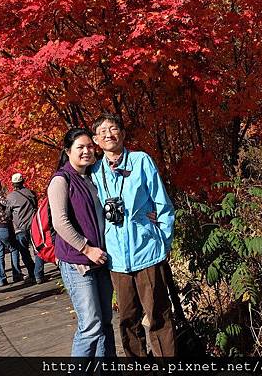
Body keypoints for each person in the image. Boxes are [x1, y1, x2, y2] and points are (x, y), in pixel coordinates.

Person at [91, 112, 178, 357]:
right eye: (102, 132)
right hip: (116, 259)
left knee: (158, 315)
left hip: (147, 251)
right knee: (127, 319)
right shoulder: (95, 171)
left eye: (113, 129)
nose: (109, 134)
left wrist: (164, 241)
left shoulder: (141, 161)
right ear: (97, 140)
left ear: (123, 134)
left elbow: (162, 205)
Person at [48, 128, 116, 357]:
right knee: (90, 326)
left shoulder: (92, 177)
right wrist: (86, 248)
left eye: (89, 146)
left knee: (106, 322)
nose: (87, 151)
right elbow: (60, 222)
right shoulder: (61, 179)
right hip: (79, 263)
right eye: (80, 147)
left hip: (101, 260)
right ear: (68, 151)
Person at [6, 173, 44, 284]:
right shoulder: (31, 193)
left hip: (20, 228)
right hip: (34, 226)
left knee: (24, 252)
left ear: (13, 184)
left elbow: (7, 214)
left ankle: (32, 273)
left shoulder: (10, 197)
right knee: (38, 250)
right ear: (23, 181)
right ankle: (39, 274)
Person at [0, 178, 23, 286]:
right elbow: (8, 205)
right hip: (2, 227)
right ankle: (16, 274)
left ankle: (1, 279)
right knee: (14, 248)